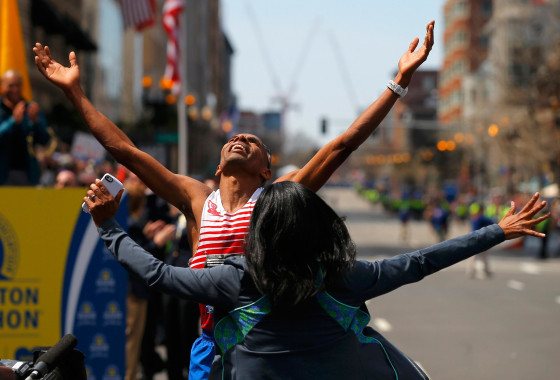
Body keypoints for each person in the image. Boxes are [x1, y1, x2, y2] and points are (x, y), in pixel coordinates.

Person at [34, 20, 435, 379]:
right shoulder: (196, 198)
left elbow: (342, 145)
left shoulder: (278, 198)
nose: (240, 138)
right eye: (235, 138)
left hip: (267, 343)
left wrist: (398, 82)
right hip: (212, 345)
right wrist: (74, 92)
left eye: (253, 141)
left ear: (266, 171)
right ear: (218, 168)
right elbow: (125, 151)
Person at [86, 180, 549, 379]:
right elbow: (421, 262)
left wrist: (108, 225)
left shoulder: (231, 280)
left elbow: (155, 272)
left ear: (261, 230)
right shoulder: (344, 278)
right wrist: (496, 231)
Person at [0, 70, 51, 186]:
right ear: (2, 86)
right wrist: (13, 122)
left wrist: (36, 122)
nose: (15, 90)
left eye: (18, 85)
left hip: (27, 175)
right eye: (11, 85)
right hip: (3, 175)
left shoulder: (30, 109)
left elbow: (45, 140)